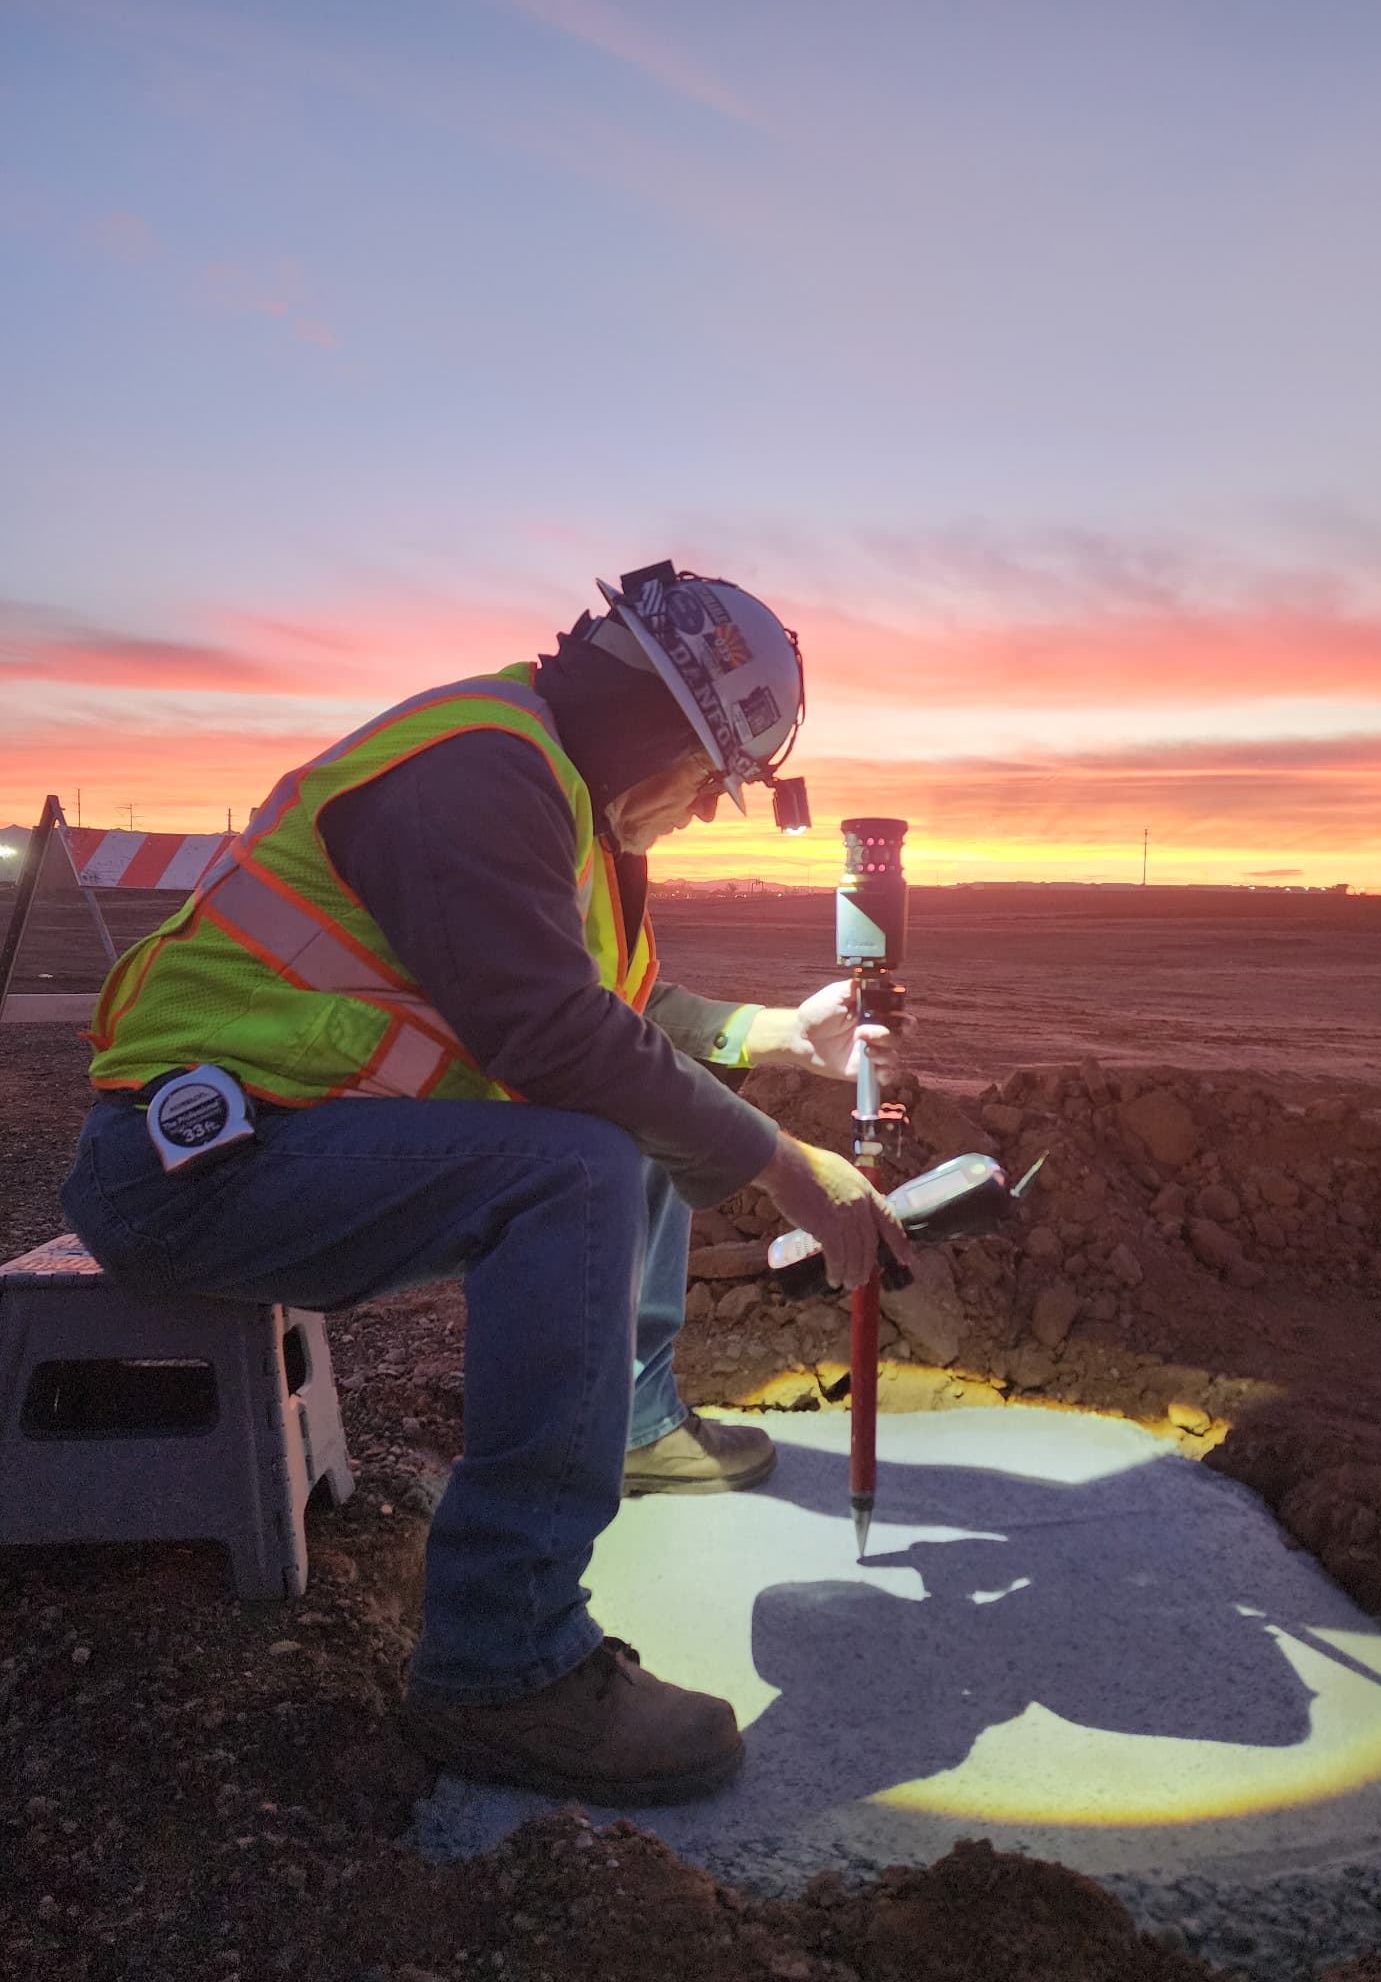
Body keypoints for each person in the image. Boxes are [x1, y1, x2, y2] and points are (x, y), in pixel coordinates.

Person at [61, 561, 911, 1807]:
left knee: (637, 1103)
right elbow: (555, 1035)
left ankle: (631, 1423)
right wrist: (793, 1173)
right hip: (186, 1168)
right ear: (669, 733)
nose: (696, 815)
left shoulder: (549, 787)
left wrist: (780, 1034)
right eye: (707, 787)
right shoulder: (474, 768)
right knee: (580, 1162)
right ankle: (503, 1657)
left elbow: (625, 1018)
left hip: (284, 1147)